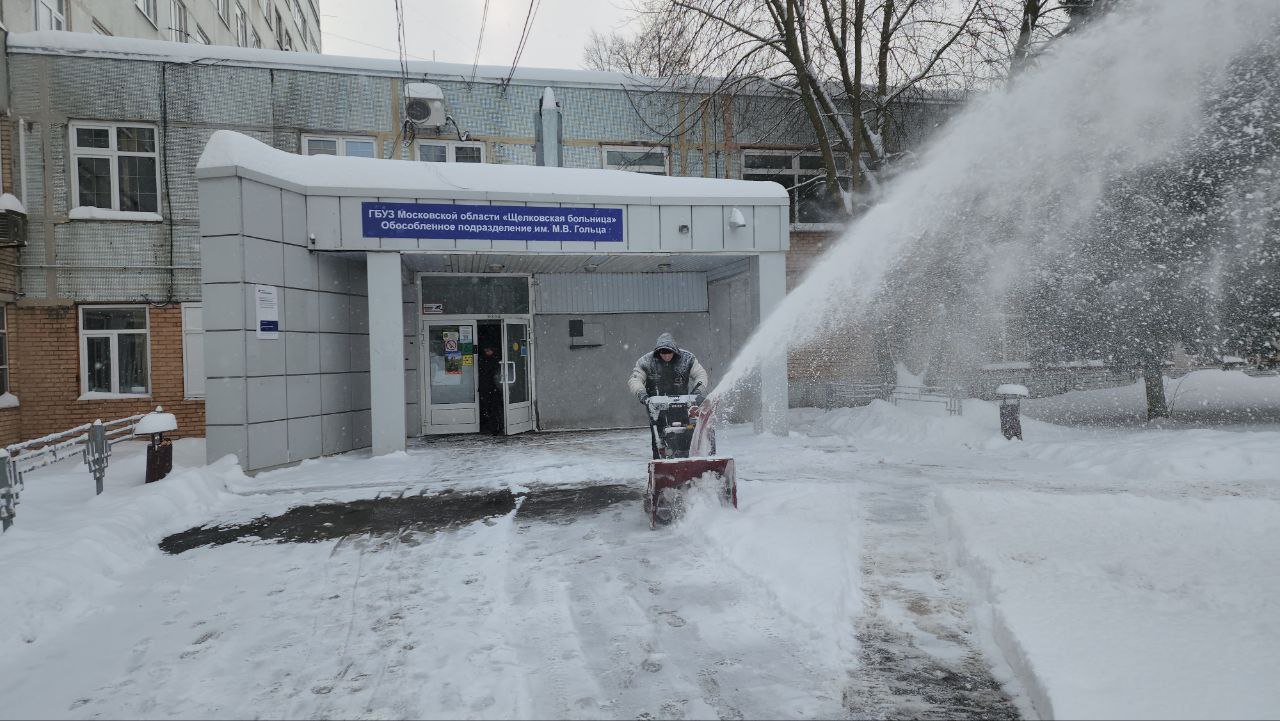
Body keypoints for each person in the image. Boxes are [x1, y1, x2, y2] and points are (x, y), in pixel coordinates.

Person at [628, 332, 709, 405]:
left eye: (669, 352)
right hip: (655, 406)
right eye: (663, 352)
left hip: (683, 404)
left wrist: (698, 391)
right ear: (658, 351)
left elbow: (700, 374)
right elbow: (635, 379)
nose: (666, 356)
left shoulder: (687, 359)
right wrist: (641, 393)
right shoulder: (646, 362)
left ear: (675, 351)